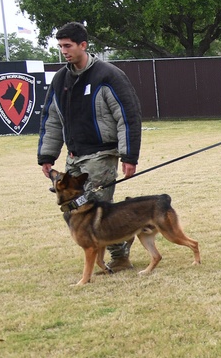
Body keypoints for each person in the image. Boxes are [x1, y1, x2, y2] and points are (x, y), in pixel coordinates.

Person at [37, 22, 142, 272]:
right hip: (74, 156)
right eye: (60, 46)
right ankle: (95, 253)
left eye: (68, 46)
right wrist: (47, 155)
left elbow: (127, 117)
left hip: (102, 154)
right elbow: (51, 118)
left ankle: (120, 255)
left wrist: (129, 156)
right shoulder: (60, 79)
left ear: (83, 45)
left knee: (97, 206)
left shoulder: (108, 75)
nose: (63, 51)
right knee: (72, 209)